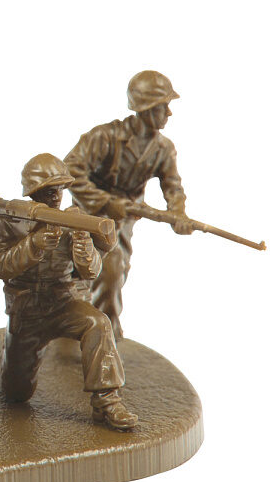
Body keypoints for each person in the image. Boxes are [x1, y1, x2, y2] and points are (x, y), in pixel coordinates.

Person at [0, 153, 137, 430]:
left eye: (59, 189)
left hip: (64, 302)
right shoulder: (12, 221)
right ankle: (10, 353)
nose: (56, 196)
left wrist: (84, 250)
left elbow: (91, 271)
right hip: (27, 310)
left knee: (98, 323)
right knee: (16, 394)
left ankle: (107, 401)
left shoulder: (75, 220)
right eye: (49, 190)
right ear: (33, 192)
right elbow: (0, 266)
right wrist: (33, 245)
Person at [65, 70, 194, 340]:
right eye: (163, 106)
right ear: (146, 108)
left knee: (114, 272)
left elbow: (173, 187)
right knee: (88, 271)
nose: (169, 113)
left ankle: (102, 336)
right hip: (86, 216)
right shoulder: (105, 136)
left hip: (122, 222)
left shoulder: (163, 149)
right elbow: (70, 171)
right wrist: (106, 202)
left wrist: (178, 214)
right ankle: (96, 332)